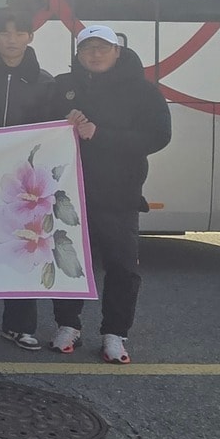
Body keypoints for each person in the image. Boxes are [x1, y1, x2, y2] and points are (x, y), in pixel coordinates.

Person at [48, 26, 171, 364]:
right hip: (69, 194)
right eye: (88, 48)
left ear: (117, 51)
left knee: (122, 268)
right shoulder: (63, 86)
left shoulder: (143, 91)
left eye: (103, 47)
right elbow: (40, 125)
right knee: (69, 262)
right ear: (78, 54)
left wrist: (100, 133)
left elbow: (158, 136)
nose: (95, 54)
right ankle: (67, 325)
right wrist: (63, 121)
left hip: (120, 194)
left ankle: (115, 334)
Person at [0, 10, 58, 350]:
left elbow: (52, 130)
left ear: (30, 37)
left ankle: (19, 325)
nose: (11, 40)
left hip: (26, 183)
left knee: (25, 248)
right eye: (4, 33)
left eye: (19, 33)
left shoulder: (45, 81)